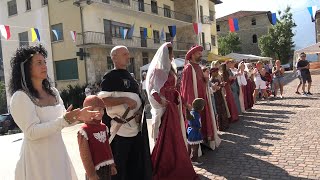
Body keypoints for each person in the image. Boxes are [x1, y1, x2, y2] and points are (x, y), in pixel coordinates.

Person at [9, 45, 101, 180]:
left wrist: (80, 116)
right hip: (37, 161)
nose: (44, 66)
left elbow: (64, 120)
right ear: (26, 68)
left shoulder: (53, 92)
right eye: (39, 63)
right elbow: (31, 132)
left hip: (58, 155)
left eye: (44, 62)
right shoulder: (20, 97)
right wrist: (65, 120)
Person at [98, 45, 152, 180]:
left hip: (135, 128)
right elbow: (102, 102)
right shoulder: (109, 77)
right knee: (119, 166)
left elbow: (139, 99)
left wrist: (139, 111)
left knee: (134, 164)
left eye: (128, 54)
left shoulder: (131, 77)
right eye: (124, 54)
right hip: (119, 130)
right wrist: (125, 99)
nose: (128, 57)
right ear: (114, 57)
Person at [146, 42, 198, 180]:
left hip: (174, 105)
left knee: (177, 134)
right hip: (166, 107)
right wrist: (162, 101)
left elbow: (174, 89)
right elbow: (153, 90)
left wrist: (184, 102)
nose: (173, 55)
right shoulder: (158, 71)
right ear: (166, 54)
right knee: (167, 136)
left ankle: (178, 161)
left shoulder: (170, 70)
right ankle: (166, 163)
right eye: (171, 53)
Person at [180, 45, 221, 151]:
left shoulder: (198, 67)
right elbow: (187, 87)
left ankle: (202, 143)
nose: (200, 55)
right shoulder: (188, 68)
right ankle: (194, 151)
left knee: (203, 121)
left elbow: (201, 82)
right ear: (192, 54)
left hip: (202, 99)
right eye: (198, 53)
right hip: (194, 102)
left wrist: (205, 80)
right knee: (194, 124)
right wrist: (191, 104)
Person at [78, 95, 117, 180]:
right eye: (98, 109)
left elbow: (107, 147)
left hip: (106, 167)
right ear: (89, 111)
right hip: (94, 170)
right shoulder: (84, 130)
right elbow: (85, 155)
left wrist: (112, 165)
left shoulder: (103, 127)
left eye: (102, 109)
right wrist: (91, 174)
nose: (102, 112)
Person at [186, 98, 206, 165]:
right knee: (195, 147)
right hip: (195, 132)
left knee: (190, 145)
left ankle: (188, 157)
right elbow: (196, 123)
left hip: (190, 132)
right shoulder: (196, 114)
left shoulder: (192, 112)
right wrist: (199, 128)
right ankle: (194, 159)